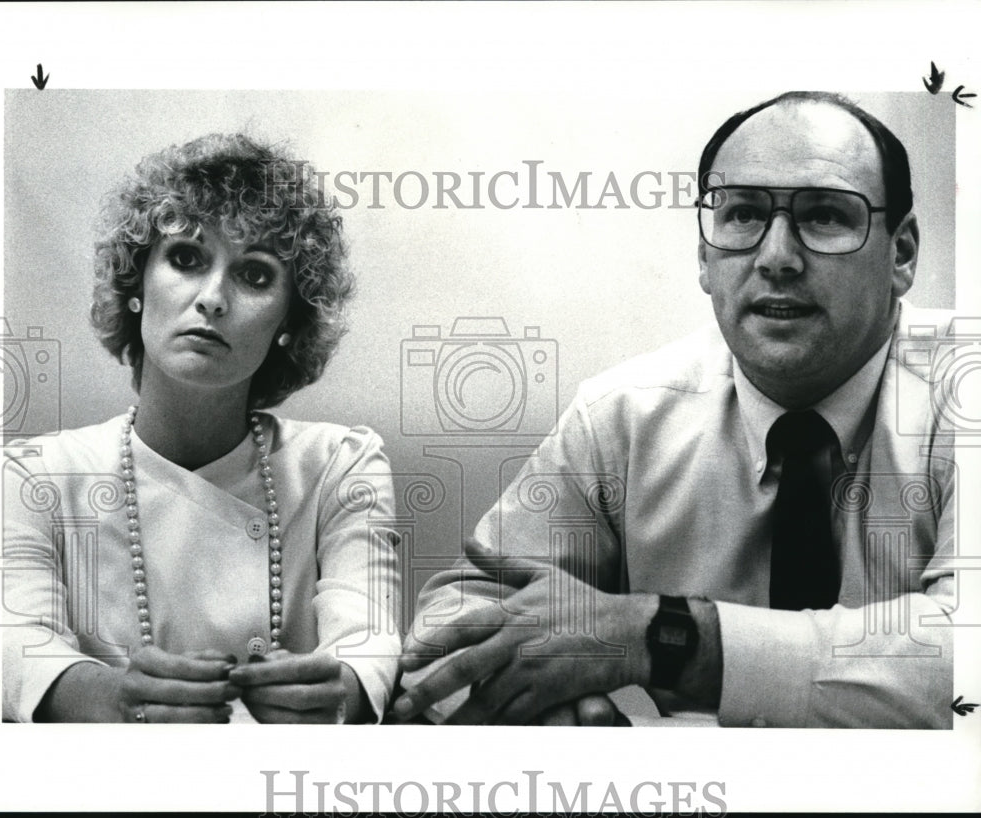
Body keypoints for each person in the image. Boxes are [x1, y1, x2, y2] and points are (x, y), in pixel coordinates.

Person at [396, 92, 956, 728]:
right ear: (703, 255)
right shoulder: (622, 419)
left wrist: (665, 636)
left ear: (902, 254)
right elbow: (457, 627)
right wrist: (560, 722)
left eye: (825, 216)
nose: (776, 257)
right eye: (743, 214)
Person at [2, 133, 401, 724]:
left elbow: (367, 640)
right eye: (186, 259)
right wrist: (107, 697)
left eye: (256, 276)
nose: (212, 298)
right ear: (138, 286)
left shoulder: (340, 465)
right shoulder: (33, 474)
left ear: (289, 323)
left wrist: (335, 692)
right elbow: (10, 646)